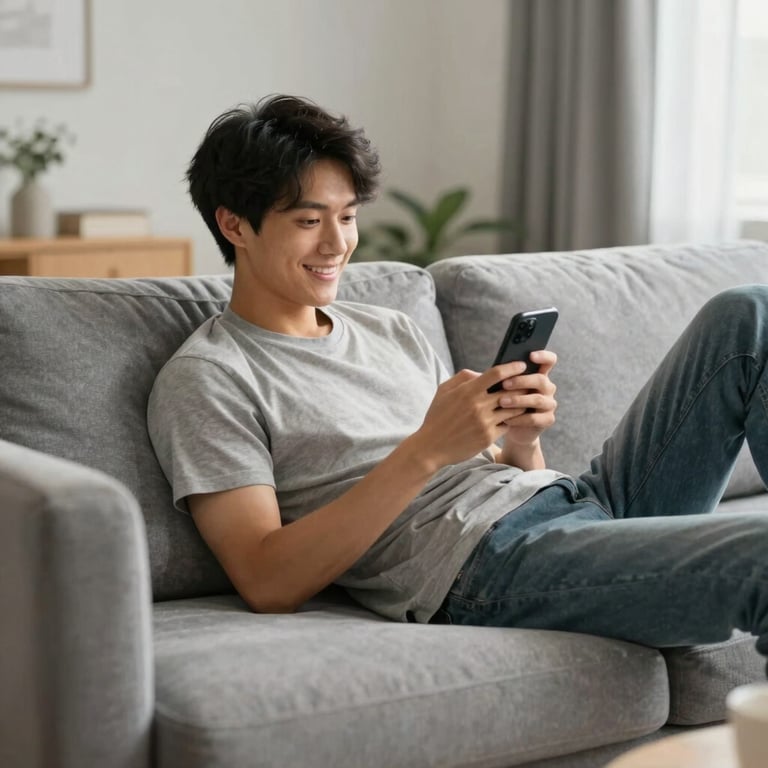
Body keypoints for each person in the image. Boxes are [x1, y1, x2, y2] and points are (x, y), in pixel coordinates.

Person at [148, 94, 768, 667]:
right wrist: (423, 451)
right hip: (481, 569)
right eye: (309, 221)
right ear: (234, 225)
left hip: (577, 505)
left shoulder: (389, 328)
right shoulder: (211, 377)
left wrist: (521, 441)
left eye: (348, 216)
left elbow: (493, 476)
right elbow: (266, 580)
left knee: (749, 314)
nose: (338, 243)